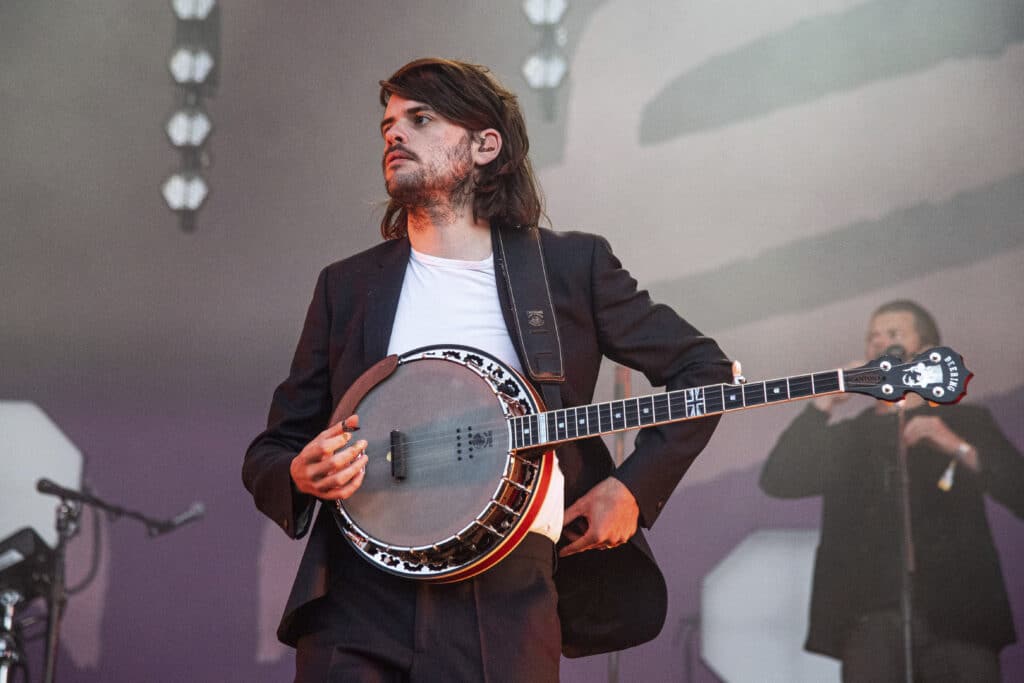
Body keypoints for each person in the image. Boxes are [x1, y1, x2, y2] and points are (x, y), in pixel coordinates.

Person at [242, 58, 731, 682]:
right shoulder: (348, 286)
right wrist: (298, 471)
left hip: (507, 592)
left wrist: (632, 487)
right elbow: (274, 448)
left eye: (420, 119)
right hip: (358, 596)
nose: (394, 134)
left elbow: (705, 370)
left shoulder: (569, 267)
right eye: (388, 123)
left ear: (485, 145)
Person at [760, 300, 1024, 682]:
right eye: (873, 338)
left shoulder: (966, 421)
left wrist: (956, 446)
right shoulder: (851, 438)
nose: (879, 344)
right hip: (870, 618)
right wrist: (820, 408)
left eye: (894, 335)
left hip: (961, 616)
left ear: (926, 350)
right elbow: (778, 479)